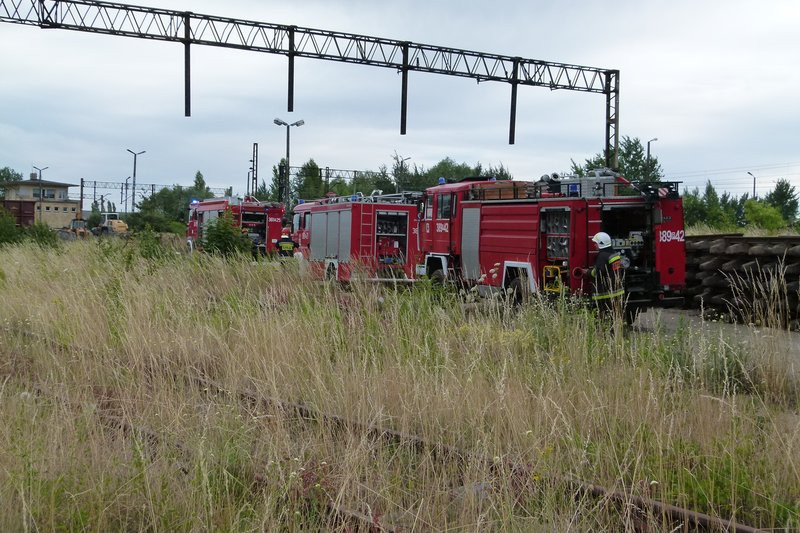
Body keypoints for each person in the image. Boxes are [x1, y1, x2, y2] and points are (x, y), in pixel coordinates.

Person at [590, 231, 624, 315]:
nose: (594, 245)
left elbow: (597, 273)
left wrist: (587, 272)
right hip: (617, 291)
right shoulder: (614, 254)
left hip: (605, 294)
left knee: (604, 318)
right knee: (616, 315)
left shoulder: (602, 256)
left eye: (596, 243)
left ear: (601, 244)